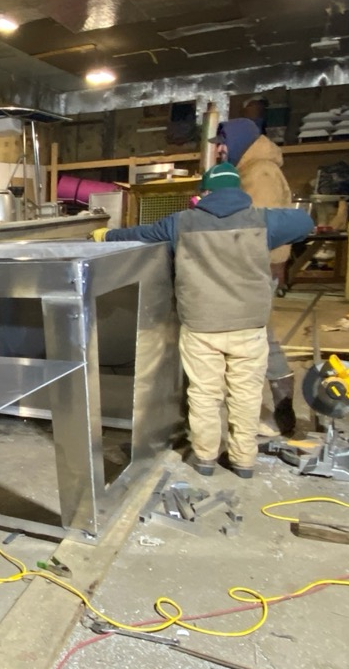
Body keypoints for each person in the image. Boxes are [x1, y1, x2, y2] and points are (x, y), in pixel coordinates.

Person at [98, 163, 313, 478]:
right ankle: (243, 461)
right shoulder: (262, 220)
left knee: (203, 393)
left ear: (206, 193)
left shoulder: (182, 223)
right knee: (246, 394)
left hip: (202, 327)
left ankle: (205, 459)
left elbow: (139, 235)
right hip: (248, 327)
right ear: (238, 191)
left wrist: (105, 235)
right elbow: (305, 221)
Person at [210, 117, 298, 436]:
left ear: (238, 141)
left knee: (253, 333)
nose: (218, 150)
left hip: (254, 266)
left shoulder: (260, 172)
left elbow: (257, 228)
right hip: (251, 265)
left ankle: (276, 401)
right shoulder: (247, 169)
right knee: (258, 331)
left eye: (221, 143)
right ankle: (274, 398)